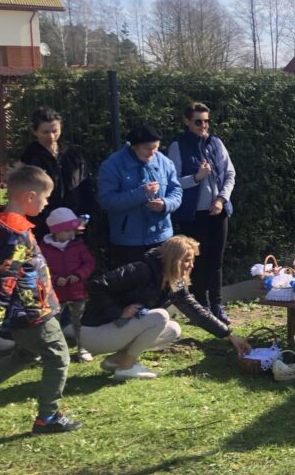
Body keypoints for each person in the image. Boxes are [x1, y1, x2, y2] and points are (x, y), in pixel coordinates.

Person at [0, 166, 82, 433]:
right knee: (58, 357)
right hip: (33, 312)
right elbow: (2, 282)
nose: (46, 204)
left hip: (24, 312)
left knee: (25, 354)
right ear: (29, 197)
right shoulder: (15, 235)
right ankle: (48, 417)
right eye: (45, 198)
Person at [79, 235, 251, 380]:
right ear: (173, 259)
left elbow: (196, 311)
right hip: (95, 332)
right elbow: (96, 285)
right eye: (187, 260)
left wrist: (229, 336)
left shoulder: (174, 282)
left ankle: (117, 360)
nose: (191, 265)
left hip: (117, 330)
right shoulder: (141, 270)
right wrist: (119, 311)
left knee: (173, 329)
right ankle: (125, 367)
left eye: (192, 260)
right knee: (160, 316)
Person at [168, 103, 236, 325]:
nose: (203, 125)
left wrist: (221, 199)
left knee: (216, 260)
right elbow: (172, 182)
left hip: (218, 211)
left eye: (206, 121)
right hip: (193, 214)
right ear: (187, 122)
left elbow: (230, 173)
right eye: (198, 121)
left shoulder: (216, 143)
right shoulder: (177, 147)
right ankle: (201, 307)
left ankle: (217, 304)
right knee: (195, 261)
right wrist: (196, 177)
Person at [97, 125, 183, 268]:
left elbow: (176, 191)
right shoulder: (112, 165)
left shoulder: (164, 162)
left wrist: (165, 204)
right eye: (148, 148)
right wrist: (140, 194)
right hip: (128, 242)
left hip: (162, 236)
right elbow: (107, 200)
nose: (152, 153)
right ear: (134, 146)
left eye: (156, 148)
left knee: (163, 285)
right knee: (133, 288)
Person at [17, 107, 94, 242]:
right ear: (34, 131)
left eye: (55, 131)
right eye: (45, 132)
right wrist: (54, 223)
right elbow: (29, 197)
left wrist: (84, 215)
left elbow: (85, 185)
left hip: (76, 223)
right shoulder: (29, 158)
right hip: (46, 228)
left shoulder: (73, 154)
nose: (51, 137)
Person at [39, 207, 96, 363]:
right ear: (55, 231)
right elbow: (41, 269)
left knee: (80, 321)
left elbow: (89, 263)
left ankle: (82, 347)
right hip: (56, 294)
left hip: (77, 291)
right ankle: (54, 350)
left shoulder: (77, 245)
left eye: (73, 231)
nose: (71, 234)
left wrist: (78, 275)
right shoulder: (44, 249)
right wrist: (55, 279)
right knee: (53, 323)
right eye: (67, 231)